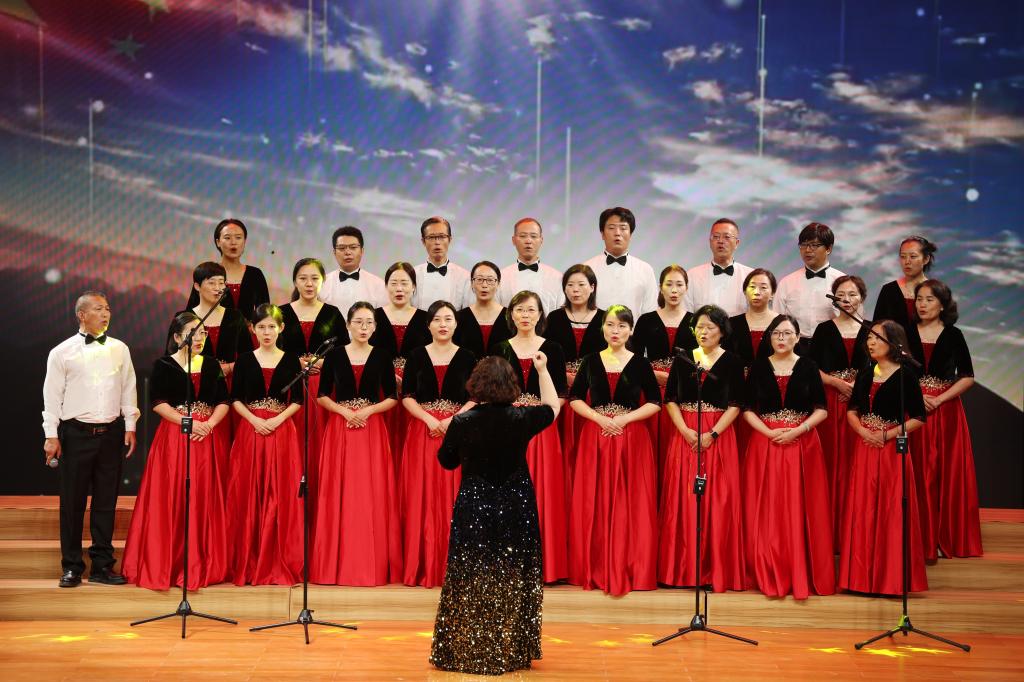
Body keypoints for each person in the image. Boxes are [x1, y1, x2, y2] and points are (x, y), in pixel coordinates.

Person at [429, 354, 560, 676]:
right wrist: (542, 369)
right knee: (511, 573)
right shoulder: (521, 418)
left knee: (471, 572)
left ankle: (468, 648)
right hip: (516, 502)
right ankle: (510, 649)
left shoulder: (462, 422)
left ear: (476, 385)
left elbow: (447, 461)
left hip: (475, 504)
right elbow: (552, 407)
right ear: (510, 385)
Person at [122, 312, 230, 590]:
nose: (201, 338)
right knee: (173, 495)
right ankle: (168, 563)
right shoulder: (164, 365)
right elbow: (158, 403)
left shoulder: (211, 365)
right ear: (178, 336)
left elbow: (223, 401)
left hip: (206, 437)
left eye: (203, 332)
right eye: (194, 332)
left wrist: (209, 424)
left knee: (203, 497)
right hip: (175, 437)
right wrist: (189, 422)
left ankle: (202, 563)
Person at [42, 291, 139, 588]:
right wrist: (50, 435)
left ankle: (102, 565)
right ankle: (72, 566)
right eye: (98, 309)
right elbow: (52, 396)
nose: (105, 313)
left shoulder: (120, 348)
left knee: (106, 502)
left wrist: (130, 424)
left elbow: (128, 388)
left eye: (107, 308)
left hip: (110, 433)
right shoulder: (62, 352)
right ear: (82, 315)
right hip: (75, 434)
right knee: (72, 503)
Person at [568, 305, 661, 595]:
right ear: (602, 329)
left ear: (630, 330)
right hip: (595, 437)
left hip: (631, 438)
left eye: (621, 326)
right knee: (594, 500)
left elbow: (655, 402)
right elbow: (574, 398)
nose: (615, 331)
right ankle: (594, 567)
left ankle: (631, 567)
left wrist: (623, 420)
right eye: (610, 325)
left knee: (631, 502)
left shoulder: (641, 363)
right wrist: (599, 419)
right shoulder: (590, 360)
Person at [741, 315, 834, 599]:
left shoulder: (809, 366)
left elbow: (822, 409)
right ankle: (767, 566)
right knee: (766, 507)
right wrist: (768, 432)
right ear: (769, 337)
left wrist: (799, 430)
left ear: (797, 337)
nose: (781, 338)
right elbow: (747, 409)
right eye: (776, 333)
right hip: (765, 443)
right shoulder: (758, 367)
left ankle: (798, 569)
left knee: (798, 505)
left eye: (787, 333)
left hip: (802, 444)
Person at [311, 302, 401, 585]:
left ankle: (371, 565)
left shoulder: (383, 356)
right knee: (340, 491)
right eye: (358, 322)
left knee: (370, 492)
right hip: (340, 429)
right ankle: (335, 567)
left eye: (369, 322)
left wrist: (367, 411)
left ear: (375, 327)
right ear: (348, 325)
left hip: (371, 430)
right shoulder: (334, 355)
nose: (364, 327)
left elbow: (392, 397)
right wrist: (345, 412)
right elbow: (322, 395)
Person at [659, 305, 745, 592]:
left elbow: (736, 404)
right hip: (685, 433)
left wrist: (713, 433)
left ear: (722, 331)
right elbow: (670, 399)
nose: (703, 332)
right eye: (699, 327)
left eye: (710, 327)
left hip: (717, 435)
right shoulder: (683, 358)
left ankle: (713, 571)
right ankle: (680, 572)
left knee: (717, 500)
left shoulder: (732, 361)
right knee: (683, 499)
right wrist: (684, 430)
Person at [839, 320, 928, 595]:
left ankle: (890, 579)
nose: (870, 342)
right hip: (866, 446)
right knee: (863, 507)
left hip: (891, 450)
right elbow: (852, 410)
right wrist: (863, 432)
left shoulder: (906, 376)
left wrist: (887, 435)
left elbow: (919, 417)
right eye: (869, 338)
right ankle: (860, 579)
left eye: (877, 337)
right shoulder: (866, 374)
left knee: (891, 509)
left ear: (894, 342)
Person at [492, 291, 569, 583]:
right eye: (520, 310)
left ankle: (544, 566)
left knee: (543, 494)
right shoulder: (499, 348)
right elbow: (492, 394)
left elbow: (560, 395)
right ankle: (508, 566)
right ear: (511, 315)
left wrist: (542, 418)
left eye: (531, 310)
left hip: (541, 430)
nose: (525, 315)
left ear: (540, 315)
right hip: (506, 429)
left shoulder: (553, 349)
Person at [400, 301, 478, 587]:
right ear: (428, 325)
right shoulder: (416, 355)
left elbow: (476, 397)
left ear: (456, 324)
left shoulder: (468, 356)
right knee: (422, 496)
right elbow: (407, 396)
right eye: (437, 319)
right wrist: (429, 419)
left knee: (456, 496)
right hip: (423, 432)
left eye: (448, 319)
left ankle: (456, 568)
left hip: (458, 433)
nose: (443, 324)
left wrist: (452, 420)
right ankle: (422, 565)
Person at [226, 304, 304, 585]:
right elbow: (235, 399)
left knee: (280, 494)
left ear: (281, 328)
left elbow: (298, 400)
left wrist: (277, 419)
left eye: (272, 327)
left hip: (282, 432)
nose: (267, 332)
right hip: (252, 431)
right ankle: (249, 561)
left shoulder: (291, 360)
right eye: (261, 327)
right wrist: (255, 420)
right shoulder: (245, 360)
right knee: (250, 492)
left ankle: (278, 561)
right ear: (253, 330)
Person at [906, 279, 982, 559]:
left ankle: (941, 537)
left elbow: (968, 377)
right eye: (919, 299)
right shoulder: (904, 333)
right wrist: (916, 395)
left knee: (944, 474)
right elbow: (888, 370)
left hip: (945, 412)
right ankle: (917, 539)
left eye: (929, 299)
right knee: (915, 474)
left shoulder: (954, 335)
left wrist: (939, 399)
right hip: (912, 411)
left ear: (942, 305)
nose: (922, 304)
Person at [808, 275, 872, 550]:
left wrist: (857, 386)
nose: (846, 299)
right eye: (841, 294)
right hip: (830, 401)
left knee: (856, 462)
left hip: (862, 403)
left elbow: (881, 364)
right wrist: (836, 383)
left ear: (862, 298)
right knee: (830, 461)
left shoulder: (872, 329)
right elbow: (810, 367)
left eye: (852, 294)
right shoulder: (824, 329)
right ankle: (829, 531)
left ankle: (855, 530)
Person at [278, 257, 345, 519]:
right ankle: (292, 512)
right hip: (291, 387)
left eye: (314, 278)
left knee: (320, 446)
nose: (309, 283)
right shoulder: (280, 313)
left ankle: (321, 511)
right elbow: (270, 349)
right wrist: (296, 362)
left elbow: (345, 353)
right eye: (303, 278)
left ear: (322, 281)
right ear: (295, 281)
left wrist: (322, 363)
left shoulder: (333, 313)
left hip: (323, 389)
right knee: (293, 446)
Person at [632, 265, 697, 483]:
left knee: (677, 446)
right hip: (652, 391)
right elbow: (633, 359)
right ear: (661, 287)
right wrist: (654, 374)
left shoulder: (696, 322)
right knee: (651, 445)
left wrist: (679, 378)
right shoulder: (646, 320)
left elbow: (703, 359)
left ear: (686, 288)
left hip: (683, 393)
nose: (674, 290)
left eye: (679, 284)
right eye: (669, 284)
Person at [543, 264, 605, 479]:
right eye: (570, 285)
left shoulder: (605, 318)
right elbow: (544, 353)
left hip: (591, 394)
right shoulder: (554, 318)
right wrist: (563, 375)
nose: (575, 290)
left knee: (587, 448)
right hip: (559, 391)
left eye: (581, 284)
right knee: (560, 448)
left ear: (592, 287)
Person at [369, 262, 432, 465]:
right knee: (382, 443)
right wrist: (387, 375)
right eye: (394, 283)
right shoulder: (373, 317)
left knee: (411, 443)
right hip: (382, 389)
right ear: (386, 286)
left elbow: (431, 355)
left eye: (404, 283)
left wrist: (410, 378)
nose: (399, 288)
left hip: (415, 390)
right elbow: (365, 352)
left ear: (413, 286)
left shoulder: (426, 318)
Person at [774, 222, 846, 351]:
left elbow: (852, 320)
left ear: (828, 248)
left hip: (831, 346)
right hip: (795, 347)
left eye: (814, 245)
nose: (807, 250)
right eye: (803, 245)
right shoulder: (786, 282)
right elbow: (777, 321)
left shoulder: (843, 282)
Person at [185, 218, 270, 320]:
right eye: (227, 238)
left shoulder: (255, 274)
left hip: (248, 331)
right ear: (218, 242)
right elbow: (190, 315)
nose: (233, 242)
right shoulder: (206, 272)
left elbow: (265, 313)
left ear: (244, 241)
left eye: (238, 237)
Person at [583, 207, 658, 316]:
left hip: (634, 327)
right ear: (602, 234)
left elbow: (650, 311)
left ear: (630, 234)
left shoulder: (645, 269)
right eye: (611, 228)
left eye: (623, 228)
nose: (617, 233)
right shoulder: (587, 269)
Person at [186, 261, 251, 385]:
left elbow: (248, 357)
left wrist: (230, 367)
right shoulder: (186, 318)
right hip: (195, 384)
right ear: (197, 286)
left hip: (230, 384)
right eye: (211, 283)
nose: (218, 288)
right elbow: (173, 357)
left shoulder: (235, 317)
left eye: (221, 283)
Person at [683, 218, 754, 317]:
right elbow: (686, 315)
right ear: (710, 241)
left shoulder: (751, 276)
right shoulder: (692, 275)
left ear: (737, 243)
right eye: (716, 236)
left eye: (727, 237)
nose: (720, 241)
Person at [498, 217, 565, 315]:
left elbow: (560, 315)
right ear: (514, 240)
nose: (528, 241)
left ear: (541, 240)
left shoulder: (557, 278)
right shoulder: (501, 277)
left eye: (533, 236)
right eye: (523, 236)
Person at [318, 225, 388, 315]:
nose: (347, 252)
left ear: (362, 251)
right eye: (342, 248)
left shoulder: (378, 285)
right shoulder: (322, 285)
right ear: (334, 252)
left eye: (353, 247)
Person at [873, 236, 938, 331]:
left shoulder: (936, 291)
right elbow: (877, 327)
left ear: (926, 259)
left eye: (913, 256)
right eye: (903, 257)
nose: (907, 262)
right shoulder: (889, 290)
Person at [453, 260, 513, 357]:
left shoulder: (510, 316)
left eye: (490, 280)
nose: (484, 285)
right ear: (472, 283)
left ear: (498, 284)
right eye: (479, 279)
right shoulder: (459, 317)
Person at [413, 216, 471, 310]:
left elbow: (467, 312)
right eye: (431, 237)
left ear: (450, 240)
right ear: (423, 241)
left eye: (442, 237)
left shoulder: (464, 277)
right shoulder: (412, 275)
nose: (437, 242)